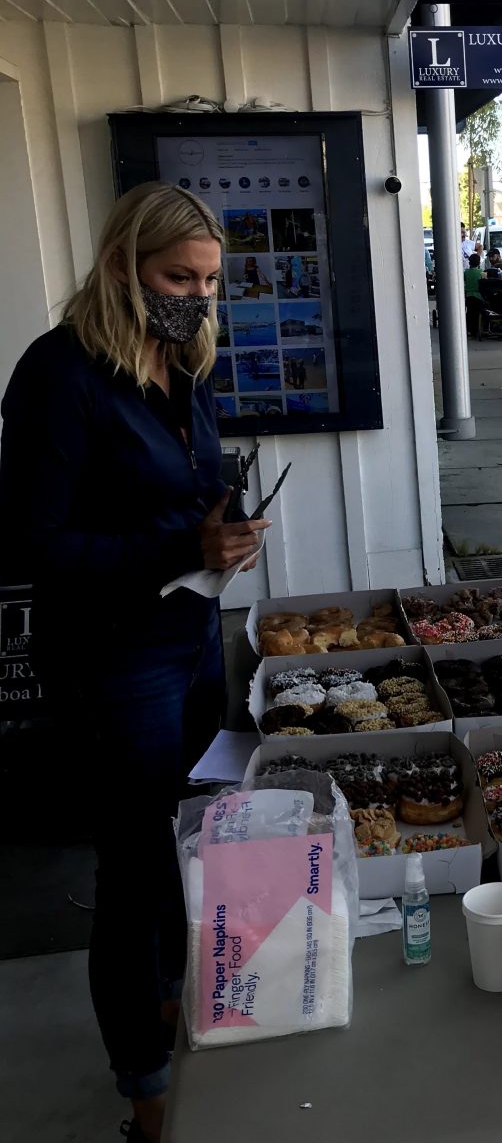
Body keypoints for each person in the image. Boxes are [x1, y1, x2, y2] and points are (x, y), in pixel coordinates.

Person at [0, 181, 270, 1143]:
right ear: (123, 265)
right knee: (135, 869)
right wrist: (179, 550)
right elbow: (34, 546)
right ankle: (145, 1087)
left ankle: (168, 1004)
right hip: (113, 660)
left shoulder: (180, 362)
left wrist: (223, 533)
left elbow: (176, 502)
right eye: (177, 277)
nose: (197, 298)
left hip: (190, 640)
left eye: (209, 282)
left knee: (189, 846)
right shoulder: (59, 375)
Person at [463, 252, 485, 337]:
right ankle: (477, 329)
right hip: (479, 296)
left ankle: (469, 329)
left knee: (469, 312)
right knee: (478, 313)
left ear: (469, 262)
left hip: (469, 296)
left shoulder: (466, 272)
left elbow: (464, 281)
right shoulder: (482, 272)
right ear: (479, 263)